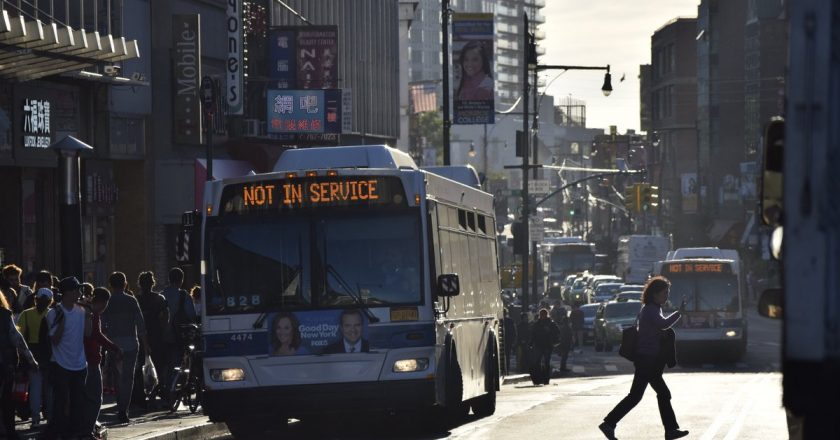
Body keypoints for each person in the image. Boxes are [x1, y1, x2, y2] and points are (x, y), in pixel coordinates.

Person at [599, 276, 689, 440]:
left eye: (667, 292)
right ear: (654, 294)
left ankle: (670, 430)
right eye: (664, 293)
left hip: (650, 360)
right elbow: (663, 324)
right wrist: (679, 313)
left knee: (662, 394)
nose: (666, 296)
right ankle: (609, 423)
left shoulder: (654, 308)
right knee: (636, 396)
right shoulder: (650, 309)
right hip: (646, 359)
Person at [100, 272, 150, 424]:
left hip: (114, 344)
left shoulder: (108, 302)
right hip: (131, 344)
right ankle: (124, 410)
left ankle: (120, 405)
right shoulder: (131, 300)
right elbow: (141, 325)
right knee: (128, 378)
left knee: (117, 377)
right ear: (125, 283)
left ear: (111, 285)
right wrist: (146, 346)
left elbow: (102, 324)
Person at [45, 276, 91, 440]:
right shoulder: (54, 312)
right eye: (77, 289)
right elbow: (55, 340)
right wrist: (63, 321)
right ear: (68, 292)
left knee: (78, 400)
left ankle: (76, 431)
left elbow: (87, 333)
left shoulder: (82, 310)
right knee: (61, 400)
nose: (79, 293)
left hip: (79, 363)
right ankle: (58, 431)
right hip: (60, 362)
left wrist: (89, 315)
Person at [83, 287, 122, 439]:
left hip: (80, 360)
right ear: (103, 302)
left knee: (85, 397)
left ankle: (85, 428)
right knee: (95, 397)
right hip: (91, 359)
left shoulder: (81, 310)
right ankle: (88, 430)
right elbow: (96, 335)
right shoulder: (92, 314)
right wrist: (115, 348)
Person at [0, 285, 39, 440]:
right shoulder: (4, 315)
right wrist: (31, 359)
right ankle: (9, 431)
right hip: (5, 364)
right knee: (7, 400)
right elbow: (17, 338)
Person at [15, 287, 54, 428]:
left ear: (35, 299)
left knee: (35, 388)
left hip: (32, 353)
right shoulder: (53, 314)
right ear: (51, 301)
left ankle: (35, 418)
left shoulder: (26, 314)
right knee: (49, 388)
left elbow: (20, 338)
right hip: (50, 355)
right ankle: (50, 417)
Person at [136, 271, 168, 405]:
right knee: (159, 366)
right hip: (156, 336)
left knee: (139, 367)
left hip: (140, 336)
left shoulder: (136, 300)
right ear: (152, 283)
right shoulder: (159, 299)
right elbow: (165, 317)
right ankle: (156, 391)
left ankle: (140, 394)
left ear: (140, 284)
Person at [529, 308, 560, 385]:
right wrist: (530, 343)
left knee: (546, 362)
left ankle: (546, 379)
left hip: (547, 345)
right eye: (541, 315)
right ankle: (539, 378)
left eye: (544, 314)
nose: (543, 316)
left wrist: (549, 331)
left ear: (547, 315)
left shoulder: (551, 323)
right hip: (538, 345)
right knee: (537, 362)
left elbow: (557, 333)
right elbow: (533, 334)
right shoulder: (537, 324)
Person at [502, 308, 517, 375]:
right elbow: (514, 332)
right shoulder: (510, 321)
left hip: (506, 340)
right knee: (507, 356)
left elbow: (513, 332)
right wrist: (513, 341)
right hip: (508, 341)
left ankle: (505, 369)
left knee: (505, 355)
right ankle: (507, 370)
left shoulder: (502, 320)